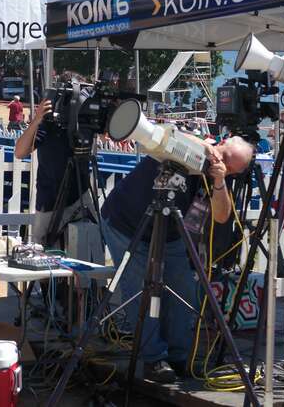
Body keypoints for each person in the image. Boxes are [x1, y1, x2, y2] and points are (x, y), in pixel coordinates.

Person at [101, 136, 254, 383]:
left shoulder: (217, 176)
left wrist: (219, 180)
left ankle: (178, 356)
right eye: (223, 157)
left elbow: (222, 216)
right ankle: (153, 358)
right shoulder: (192, 145)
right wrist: (206, 147)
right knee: (139, 290)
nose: (221, 163)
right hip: (126, 223)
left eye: (229, 167)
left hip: (170, 230)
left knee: (183, 289)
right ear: (221, 143)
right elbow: (165, 134)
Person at [15, 97, 92, 246]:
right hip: (50, 202)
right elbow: (19, 152)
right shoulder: (49, 123)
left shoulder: (86, 122)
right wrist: (37, 120)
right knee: (43, 252)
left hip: (80, 197)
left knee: (87, 248)